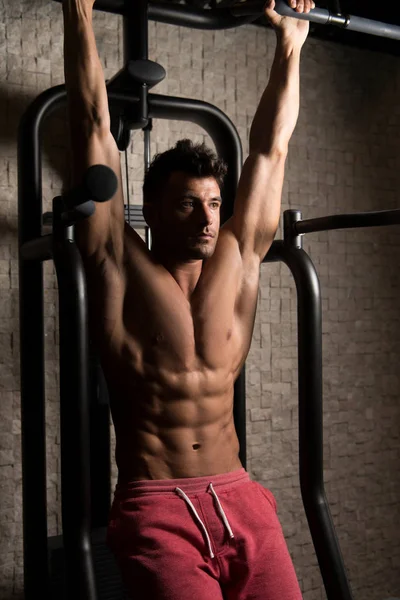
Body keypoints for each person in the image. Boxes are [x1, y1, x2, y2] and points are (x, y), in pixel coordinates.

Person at [62, 0, 312, 597]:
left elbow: (271, 151)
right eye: (187, 205)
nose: (206, 220)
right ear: (151, 210)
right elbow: (94, 127)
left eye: (214, 204)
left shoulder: (237, 260)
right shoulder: (119, 263)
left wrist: (291, 45)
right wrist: (79, 15)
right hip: (157, 506)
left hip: (241, 497)